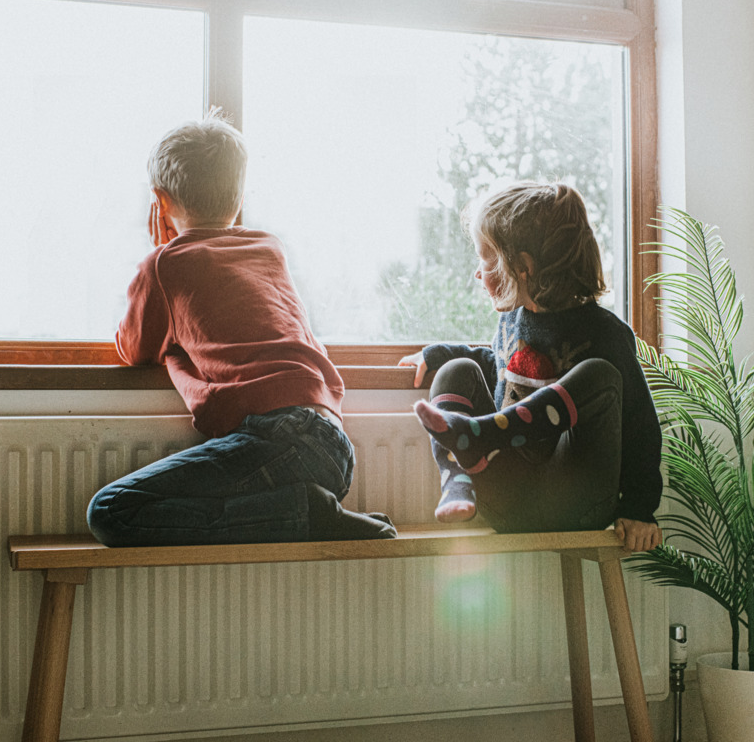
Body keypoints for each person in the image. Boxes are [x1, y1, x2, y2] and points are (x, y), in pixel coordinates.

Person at [87, 111, 395, 547]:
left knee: (110, 511)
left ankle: (304, 514)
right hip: (332, 443)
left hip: (279, 438)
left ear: (159, 201)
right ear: (240, 195)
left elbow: (133, 349)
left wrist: (162, 256)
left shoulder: (164, 264)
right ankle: (303, 509)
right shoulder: (268, 247)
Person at [399, 182, 662, 552]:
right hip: (504, 500)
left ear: (523, 267)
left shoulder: (605, 333)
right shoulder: (511, 324)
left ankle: (482, 435)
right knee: (455, 369)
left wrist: (639, 508)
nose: (478, 273)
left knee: (600, 376)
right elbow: (499, 367)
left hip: (576, 502)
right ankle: (458, 478)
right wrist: (439, 354)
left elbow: (640, 427)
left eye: (485, 258)